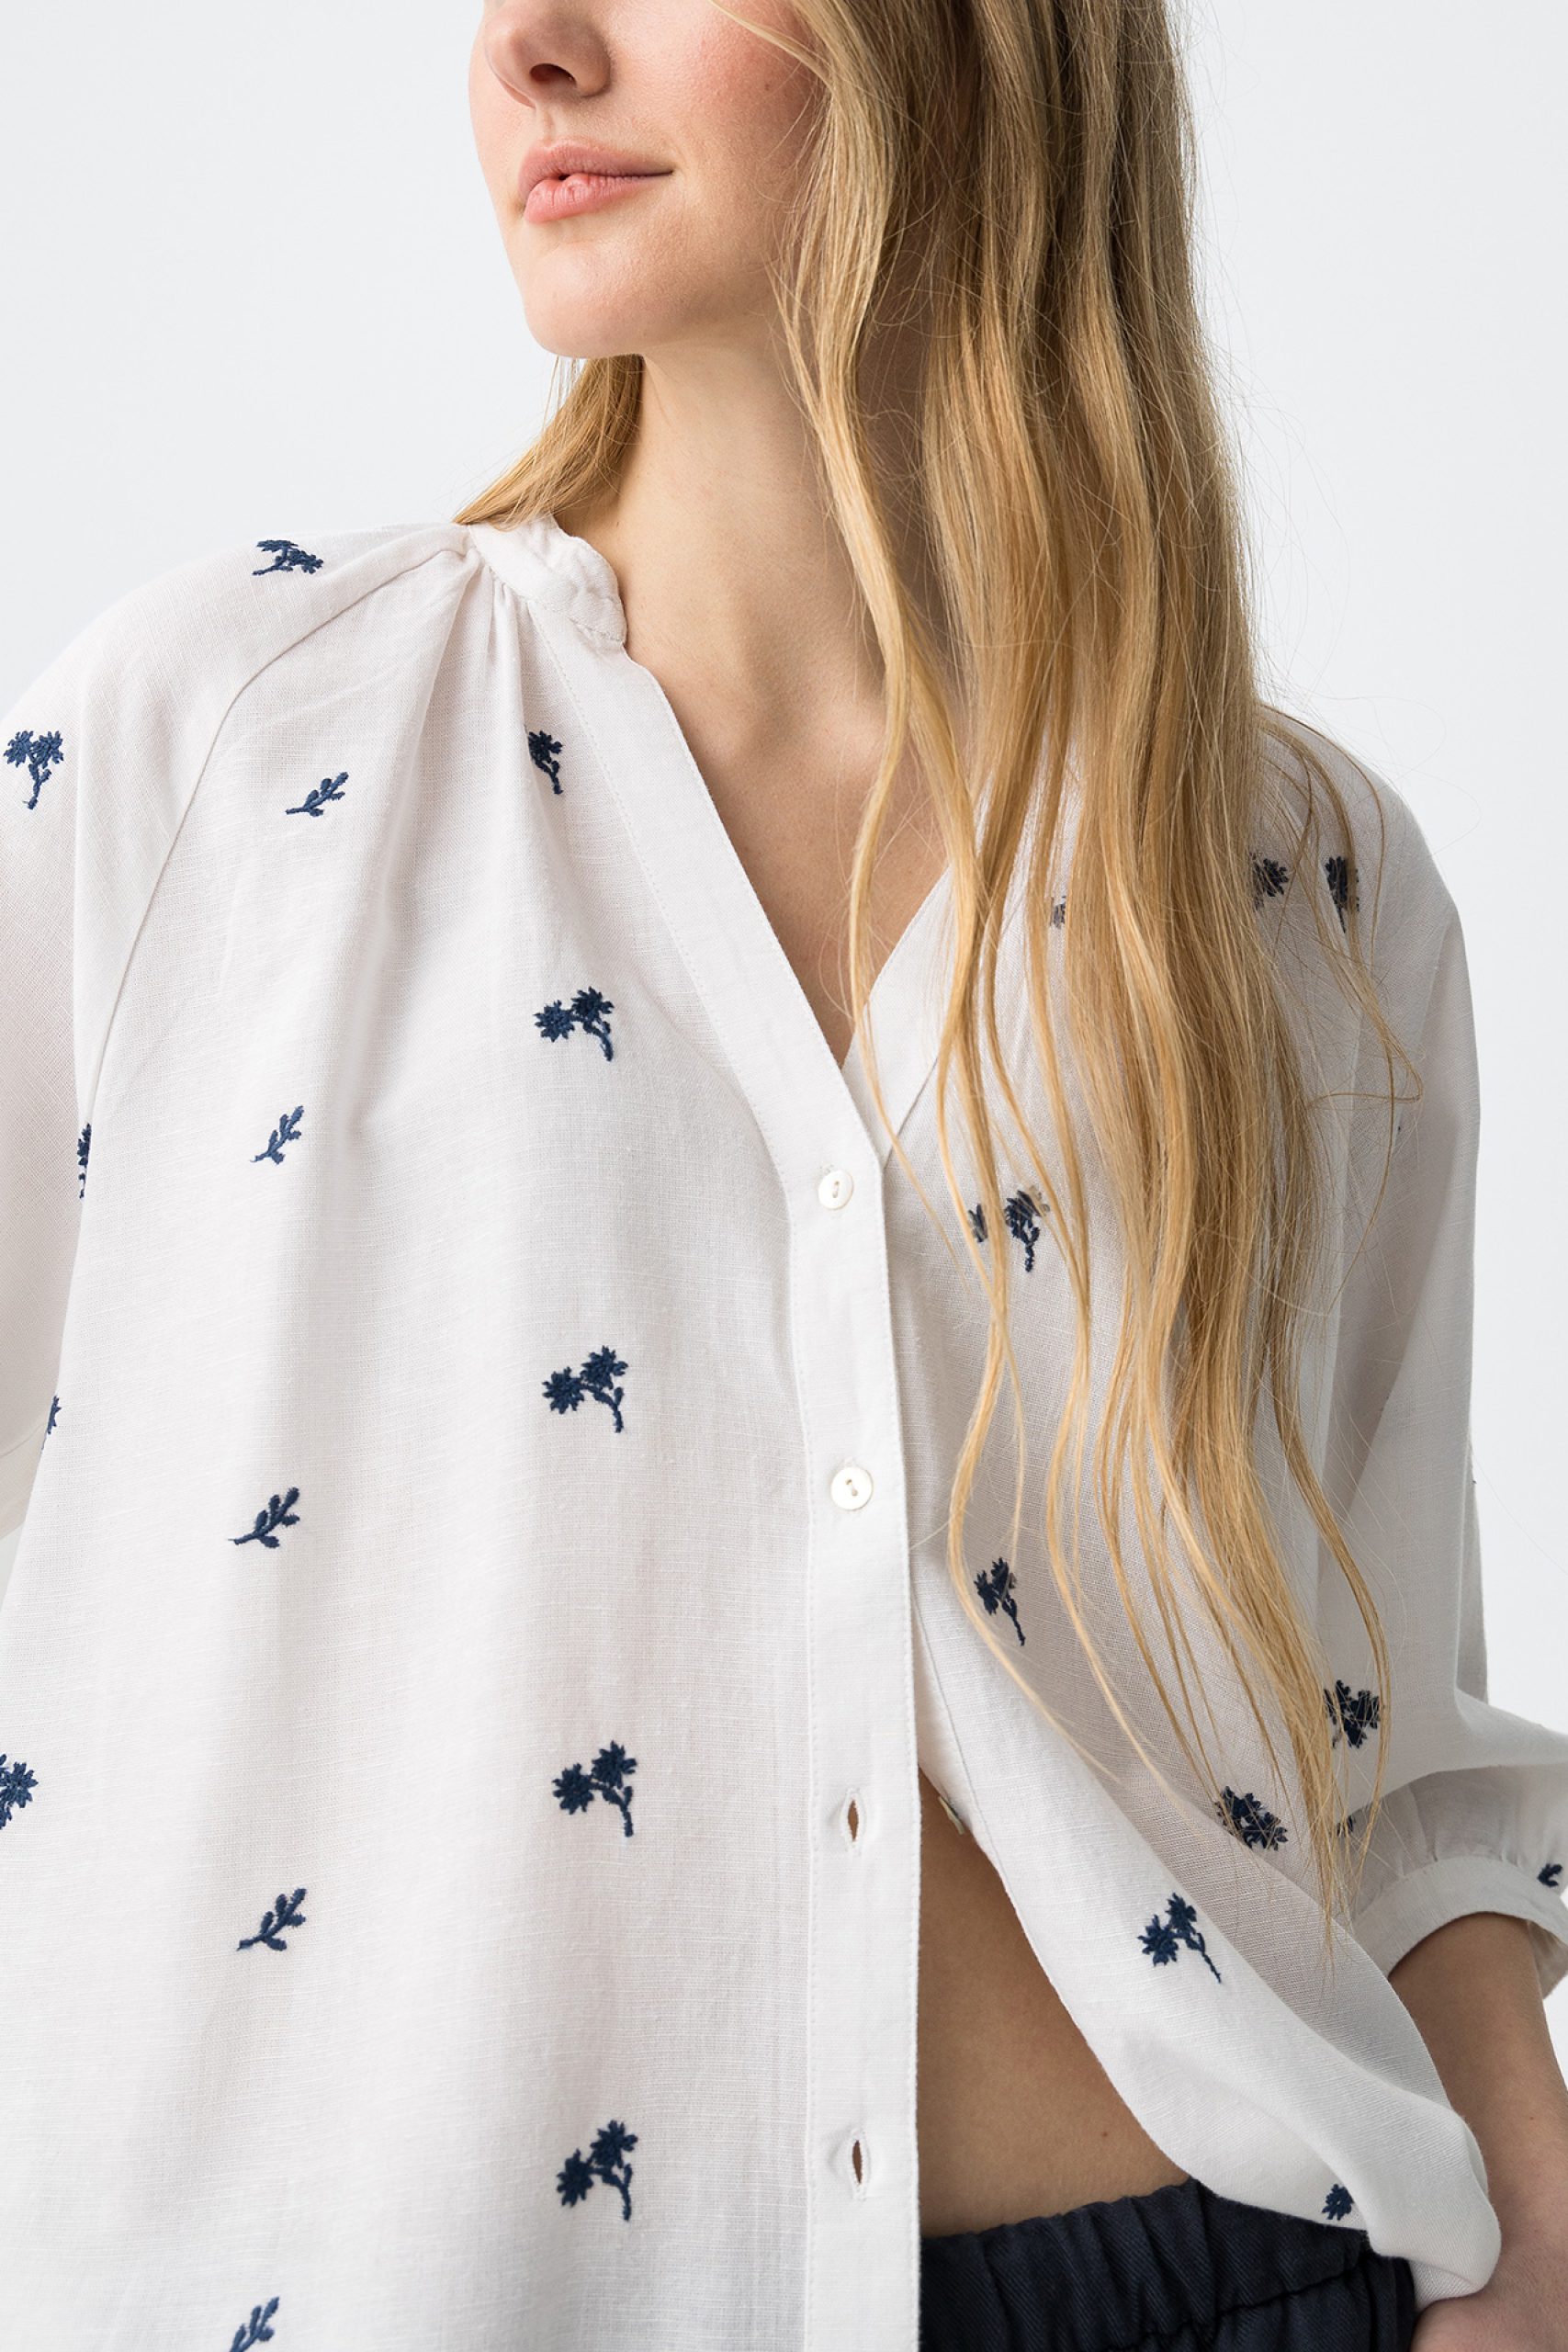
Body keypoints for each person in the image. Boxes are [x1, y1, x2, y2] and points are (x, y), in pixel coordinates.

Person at [2, 2, 1566, 2346]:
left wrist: (1526, 2252)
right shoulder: (220, 748)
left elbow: (1394, 1750)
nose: (530, 47)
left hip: (1238, 2269)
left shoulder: (1286, 877)